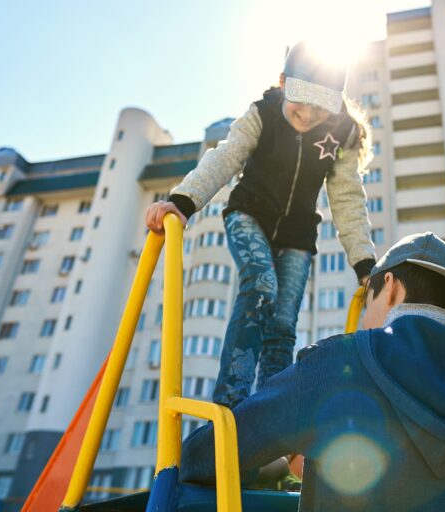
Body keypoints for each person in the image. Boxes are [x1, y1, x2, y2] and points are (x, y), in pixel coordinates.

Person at [181, 232, 445, 512]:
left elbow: (208, 455)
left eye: (366, 302)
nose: (362, 318)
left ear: (389, 286)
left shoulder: (342, 361)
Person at [145, 41, 377, 408]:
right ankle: (231, 403)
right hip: (248, 215)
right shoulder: (262, 115)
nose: (309, 112)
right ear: (284, 82)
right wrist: (182, 201)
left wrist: (365, 264)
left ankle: (270, 419)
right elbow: (225, 157)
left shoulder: (340, 135)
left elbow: (347, 197)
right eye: (302, 97)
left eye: (322, 105)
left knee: (283, 325)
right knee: (261, 287)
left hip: (297, 237)